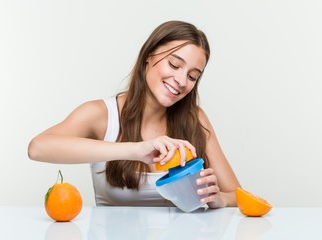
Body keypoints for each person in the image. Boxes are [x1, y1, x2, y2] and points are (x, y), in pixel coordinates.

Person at [28, 20, 241, 208]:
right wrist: (136, 150)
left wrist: (219, 198)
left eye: (193, 76)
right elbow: (38, 148)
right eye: (174, 64)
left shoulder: (196, 119)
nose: (182, 81)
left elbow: (238, 196)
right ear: (149, 56)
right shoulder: (101, 115)